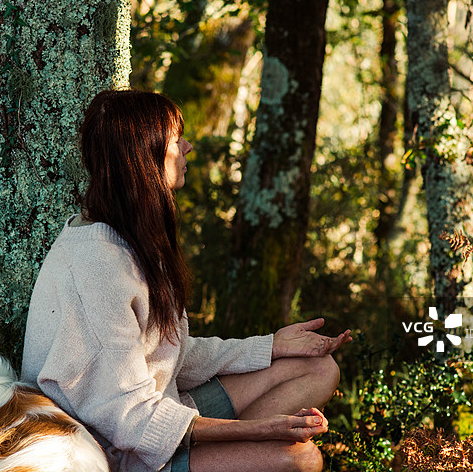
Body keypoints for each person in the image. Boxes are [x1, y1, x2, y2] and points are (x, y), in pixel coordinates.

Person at [21, 89, 352, 472]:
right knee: (300, 458)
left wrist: (271, 346)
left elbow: (170, 356)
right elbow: (132, 421)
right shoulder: (98, 266)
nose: (189, 147)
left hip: (162, 417)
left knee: (318, 368)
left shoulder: (130, 237)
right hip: (121, 456)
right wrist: (261, 430)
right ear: (144, 153)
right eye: (177, 139)